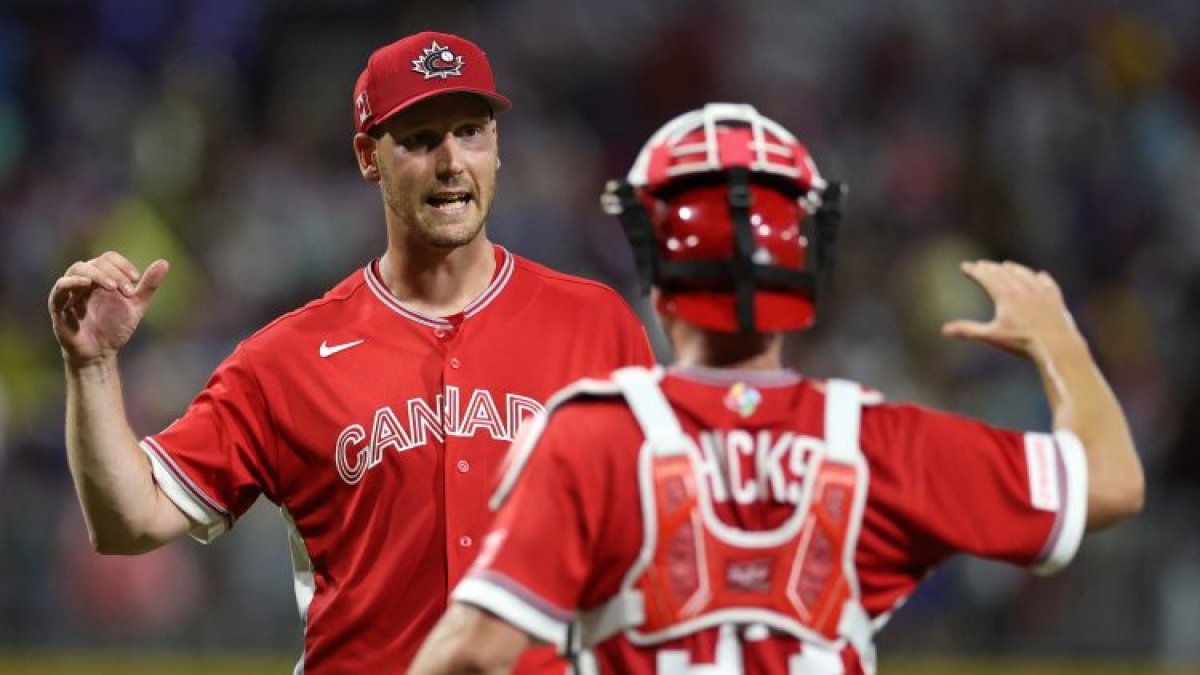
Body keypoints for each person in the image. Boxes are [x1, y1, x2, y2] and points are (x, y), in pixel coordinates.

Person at [408, 103, 1145, 675]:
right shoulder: (879, 444)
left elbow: (471, 653)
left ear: (654, 262)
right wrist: (1059, 340)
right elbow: (1111, 481)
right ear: (810, 262)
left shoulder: (592, 440)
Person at [46, 31, 653, 675]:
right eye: (420, 139)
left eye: (471, 131)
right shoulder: (287, 358)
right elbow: (129, 521)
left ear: (497, 146)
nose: (452, 161)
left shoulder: (596, 325)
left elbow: (665, 533)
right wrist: (92, 365)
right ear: (368, 157)